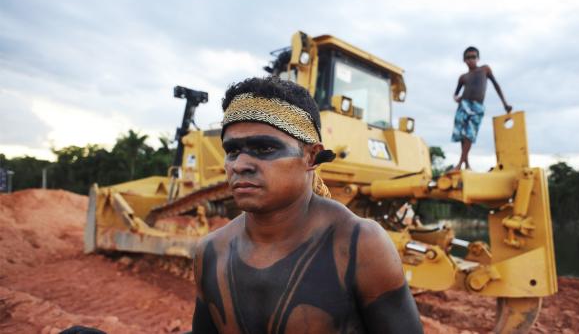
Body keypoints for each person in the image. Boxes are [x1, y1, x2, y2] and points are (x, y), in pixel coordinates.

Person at [191, 77, 423, 334]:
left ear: (311, 156)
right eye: (232, 151)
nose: (239, 164)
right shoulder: (210, 252)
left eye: (265, 148)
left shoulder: (357, 245)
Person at [452, 46, 512, 170]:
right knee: (462, 135)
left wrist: (505, 103)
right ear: (464, 60)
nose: (471, 60)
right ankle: (466, 164)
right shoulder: (463, 77)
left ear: (478, 58)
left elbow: (496, 85)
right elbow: (455, 93)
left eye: (473, 57)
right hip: (463, 105)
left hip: (477, 106)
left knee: (470, 134)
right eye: (468, 58)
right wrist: (456, 98)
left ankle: (459, 163)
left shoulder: (485, 69)